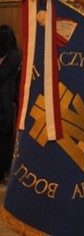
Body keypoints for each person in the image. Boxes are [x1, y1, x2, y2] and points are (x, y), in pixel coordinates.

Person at [0, 25, 21, 180]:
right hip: (5, 103)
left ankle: (1, 171)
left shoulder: (14, 56)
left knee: (4, 137)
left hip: (5, 104)